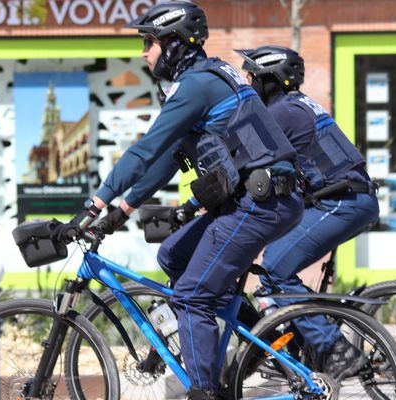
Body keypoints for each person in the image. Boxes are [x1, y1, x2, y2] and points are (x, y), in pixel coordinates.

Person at [64, 3, 304, 399]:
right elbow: (166, 159)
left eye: (149, 42)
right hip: (257, 199)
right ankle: (253, 336)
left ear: (174, 44)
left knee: (192, 295)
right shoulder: (203, 78)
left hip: (261, 202)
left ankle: (206, 391)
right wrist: (122, 210)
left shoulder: (196, 86)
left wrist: (95, 204)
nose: (143, 52)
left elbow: (144, 151)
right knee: (173, 256)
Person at [236, 45, 380, 380]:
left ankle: (335, 349)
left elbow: (244, 158)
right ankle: (303, 350)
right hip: (344, 198)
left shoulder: (280, 112)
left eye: (252, 76)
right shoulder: (294, 105)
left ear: (271, 80)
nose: (248, 82)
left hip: (342, 202)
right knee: (275, 262)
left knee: (273, 271)